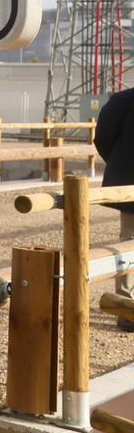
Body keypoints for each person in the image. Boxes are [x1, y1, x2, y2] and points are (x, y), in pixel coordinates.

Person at [94, 89, 134, 331]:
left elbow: (102, 138)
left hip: (128, 179)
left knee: (129, 242)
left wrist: (120, 162)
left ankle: (126, 308)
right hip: (128, 180)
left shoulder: (122, 101)